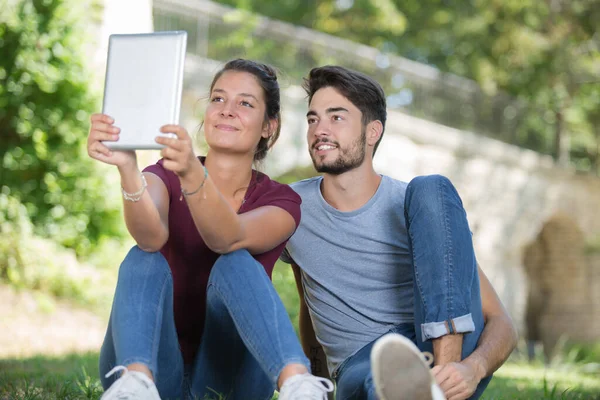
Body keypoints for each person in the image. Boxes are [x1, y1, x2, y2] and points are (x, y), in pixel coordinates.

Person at [87, 59, 334, 400]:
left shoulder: (282, 201)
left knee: (235, 261)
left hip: (228, 378)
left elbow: (227, 237)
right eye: (218, 99)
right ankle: (136, 385)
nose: (227, 110)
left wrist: (192, 173)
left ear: (268, 126)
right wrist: (128, 167)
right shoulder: (165, 174)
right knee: (143, 257)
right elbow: (150, 236)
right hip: (157, 369)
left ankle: (299, 385)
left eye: (245, 103)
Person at [280, 66, 519, 400]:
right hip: (361, 360)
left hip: (440, 347)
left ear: (372, 131)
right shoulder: (290, 206)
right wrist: (318, 383)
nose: (320, 129)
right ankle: (423, 390)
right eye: (312, 119)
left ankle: (439, 384)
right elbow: (309, 302)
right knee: (379, 381)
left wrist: (472, 368)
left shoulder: (420, 208)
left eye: (336, 118)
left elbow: (502, 324)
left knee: (432, 187)